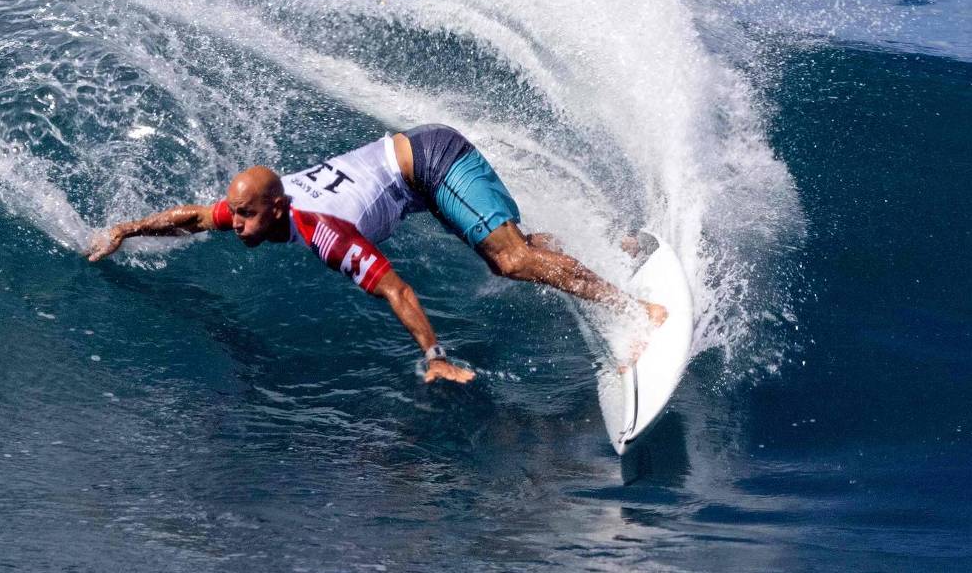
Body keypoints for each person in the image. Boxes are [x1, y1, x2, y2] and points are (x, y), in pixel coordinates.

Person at [86, 124, 663, 382]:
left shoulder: (323, 232)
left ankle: (636, 311)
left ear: (278, 210)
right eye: (234, 214)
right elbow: (192, 216)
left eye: (245, 215)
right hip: (415, 176)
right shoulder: (261, 206)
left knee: (509, 260)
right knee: (512, 250)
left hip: (435, 163)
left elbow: (395, 289)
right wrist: (126, 229)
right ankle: (612, 246)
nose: (234, 224)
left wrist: (434, 355)